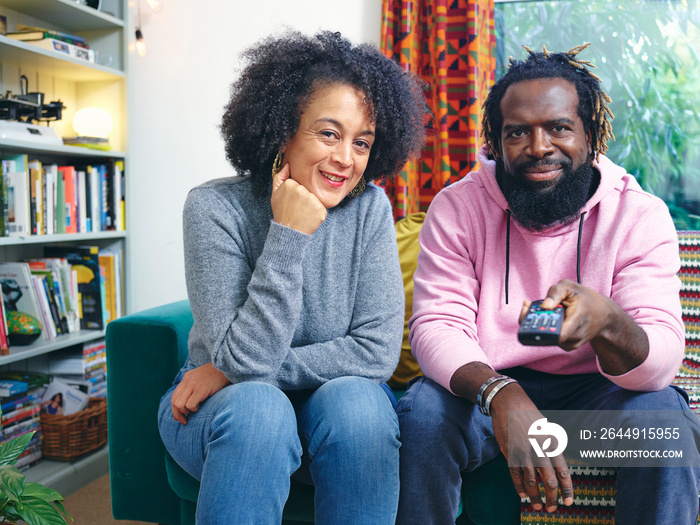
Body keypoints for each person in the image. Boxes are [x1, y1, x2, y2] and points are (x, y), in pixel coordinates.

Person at [396, 43, 700, 525]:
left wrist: (606, 321)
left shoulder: (638, 215)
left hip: (595, 410)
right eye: (518, 132)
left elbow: (659, 365)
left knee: (662, 424)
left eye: (559, 127)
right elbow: (436, 326)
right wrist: (502, 395)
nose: (539, 147)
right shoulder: (458, 207)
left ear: (591, 135)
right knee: (424, 416)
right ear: (495, 143)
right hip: (487, 408)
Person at [156, 30, 426, 524]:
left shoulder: (370, 210)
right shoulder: (215, 208)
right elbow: (247, 366)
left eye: (361, 142)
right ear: (283, 130)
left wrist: (224, 368)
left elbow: (375, 352)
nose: (346, 158)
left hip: (321, 412)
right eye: (328, 133)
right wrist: (287, 234)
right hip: (227, 415)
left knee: (360, 404)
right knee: (261, 408)